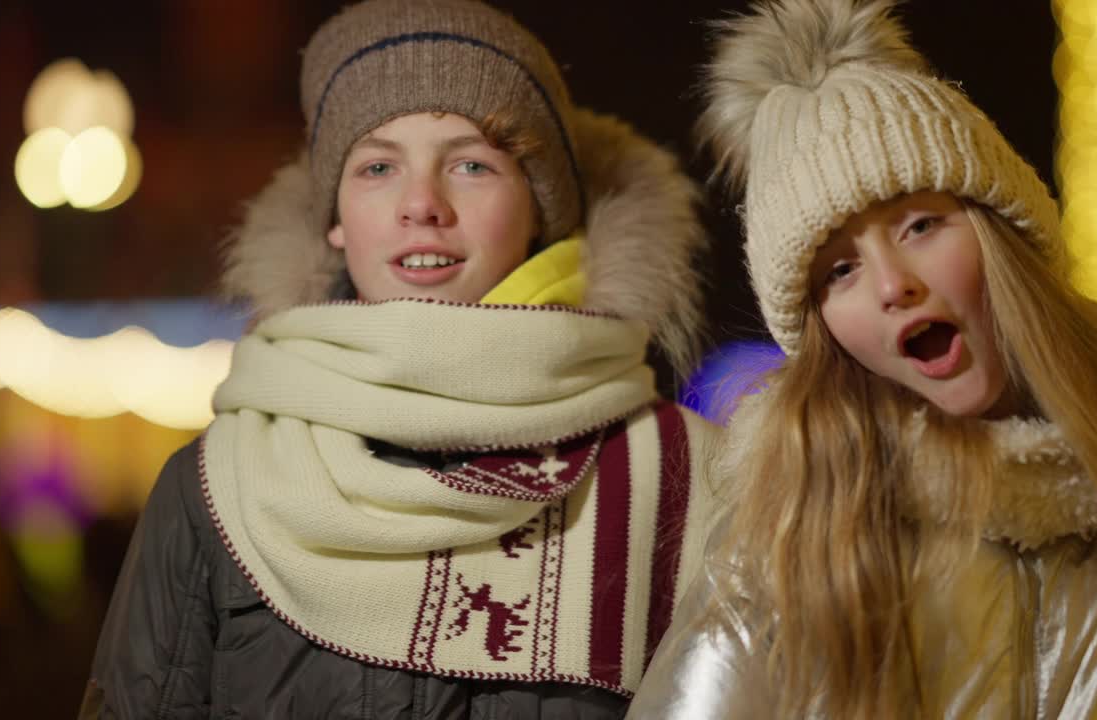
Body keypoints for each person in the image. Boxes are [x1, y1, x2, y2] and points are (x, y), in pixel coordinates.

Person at [81, 0, 718, 716]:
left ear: (543, 210)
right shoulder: (218, 487)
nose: (421, 204)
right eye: (378, 166)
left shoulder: (687, 479)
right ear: (333, 220)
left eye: (473, 165)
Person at [628, 0, 1097, 717]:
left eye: (921, 225)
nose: (895, 285)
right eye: (839, 271)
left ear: (1001, 231)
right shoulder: (791, 537)